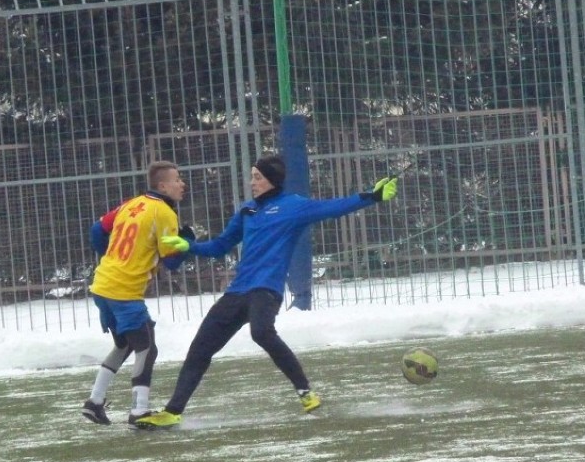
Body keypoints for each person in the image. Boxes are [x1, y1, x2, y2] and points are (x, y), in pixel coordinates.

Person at [132, 154, 397, 429]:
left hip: (265, 289)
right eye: (252, 176)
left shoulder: (294, 206)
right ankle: (173, 411)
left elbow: (334, 207)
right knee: (200, 349)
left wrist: (372, 196)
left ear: (272, 180)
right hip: (237, 291)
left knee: (261, 332)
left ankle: (305, 391)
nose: (252, 182)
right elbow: (220, 246)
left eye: (257, 177)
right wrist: (189, 247)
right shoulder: (247, 211)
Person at [81, 161, 192, 428]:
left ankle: (95, 402)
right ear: (163, 185)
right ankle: (139, 411)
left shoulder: (132, 204)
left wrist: (114, 256)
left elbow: (97, 230)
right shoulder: (164, 213)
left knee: (125, 344)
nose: (182, 184)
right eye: (177, 179)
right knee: (147, 348)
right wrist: (189, 242)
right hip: (124, 290)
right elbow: (172, 261)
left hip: (102, 284)